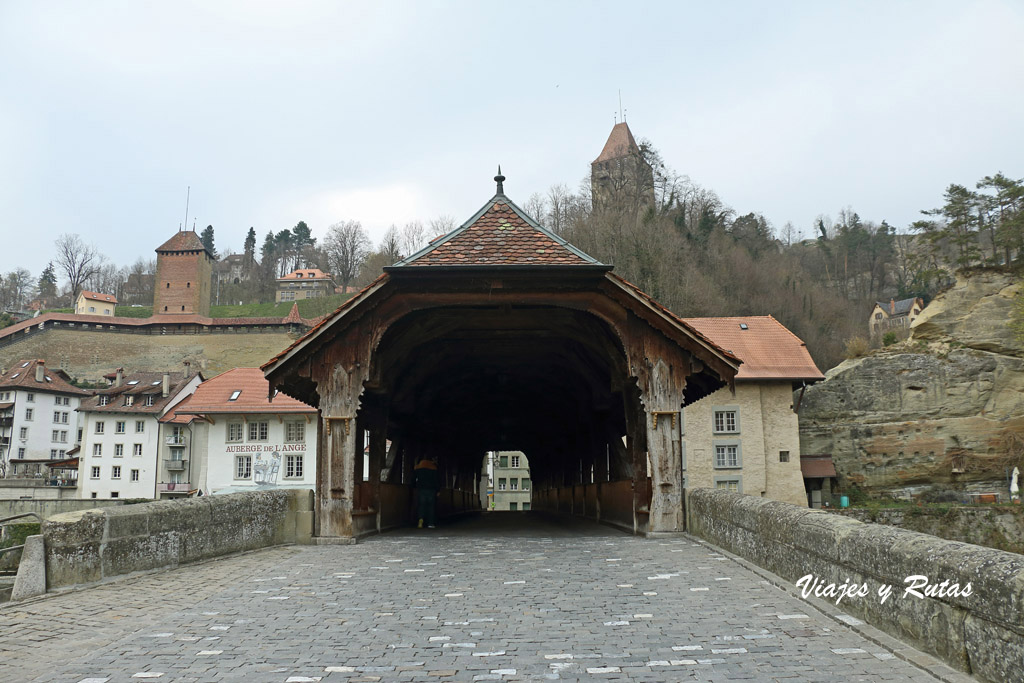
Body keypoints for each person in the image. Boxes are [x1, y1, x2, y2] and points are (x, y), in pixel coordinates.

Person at [414, 456, 440, 528]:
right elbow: (437, 480)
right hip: (431, 490)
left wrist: (414, 487)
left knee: (421, 506)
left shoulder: (418, 467)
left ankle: (420, 520)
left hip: (421, 489)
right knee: (431, 507)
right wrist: (438, 490)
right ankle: (430, 523)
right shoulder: (433, 468)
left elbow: (413, 478)